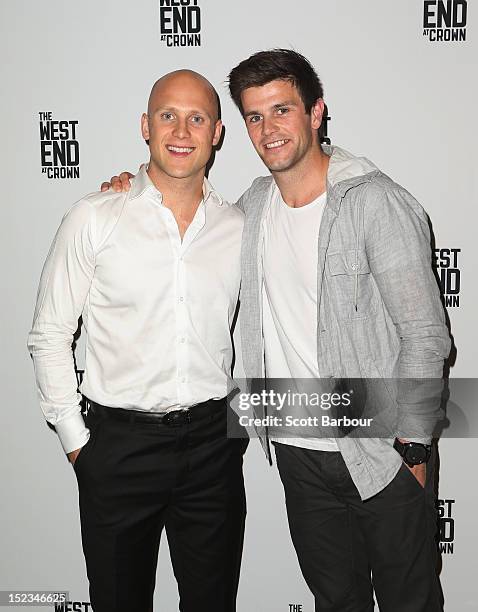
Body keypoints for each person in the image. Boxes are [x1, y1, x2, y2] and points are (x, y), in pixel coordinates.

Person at [103, 50, 450, 611]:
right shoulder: (251, 210)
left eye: (282, 110)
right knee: (335, 602)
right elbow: (182, 214)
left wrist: (412, 446)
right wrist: (129, 185)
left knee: (410, 602)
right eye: (255, 117)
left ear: (316, 113)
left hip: (382, 449)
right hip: (297, 451)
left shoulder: (375, 203)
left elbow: (425, 335)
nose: (269, 129)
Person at [28, 70, 247, 612]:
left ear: (217, 133)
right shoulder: (95, 217)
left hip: (212, 447)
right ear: (145, 126)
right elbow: (50, 334)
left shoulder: (241, 226)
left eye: (197, 117)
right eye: (167, 115)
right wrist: (78, 444)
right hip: (116, 450)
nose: (181, 129)